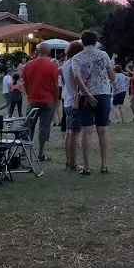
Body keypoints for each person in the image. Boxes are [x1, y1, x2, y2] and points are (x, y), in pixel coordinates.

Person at [70, 30, 114, 175]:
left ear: (82, 41)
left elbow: (77, 78)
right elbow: (112, 77)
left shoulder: (77, 58)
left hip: (86, 96)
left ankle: (87, 166)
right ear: (96, 41)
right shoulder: (104, 55)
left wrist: (87, 95)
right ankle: (105, 164)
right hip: (103, 94)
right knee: (103, 130)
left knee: (87, 131)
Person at [20, 42, 60, 162]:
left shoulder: (28, 65)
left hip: (33, 99)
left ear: (38, 51)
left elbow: (25, 83)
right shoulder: (52, 65)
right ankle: (41, 153)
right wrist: (56, 99)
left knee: (28, 125)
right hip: (48, 100)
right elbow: (55, 85)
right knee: (44, 126)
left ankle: (24, 151)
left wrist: (29, 94)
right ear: (49, 52)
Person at [60, 40, 84, 172]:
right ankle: (73, 163)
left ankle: (68, 162)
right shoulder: (74, 65)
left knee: (69, 133)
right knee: (74, 134)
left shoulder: (66, 64)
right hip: (75, 100)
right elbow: (78, 83)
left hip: (67, 100)